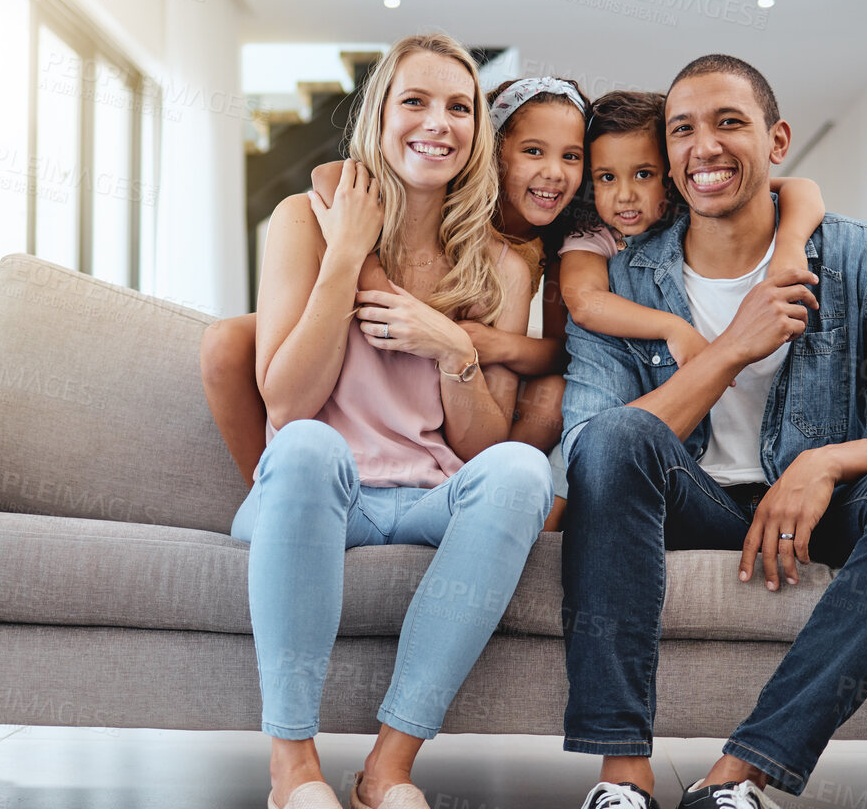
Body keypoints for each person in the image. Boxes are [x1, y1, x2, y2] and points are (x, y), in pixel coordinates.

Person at [554, 55, 867, 809]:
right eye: (682, 129)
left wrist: (826, 462)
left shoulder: (862, 259)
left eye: (728, 122)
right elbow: (589, 450)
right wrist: (728, 351)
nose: (703, 147)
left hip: (815, 506)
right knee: (614, 441)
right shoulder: (623, 281)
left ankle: (735, 782)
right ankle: (622, 788)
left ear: (775, 139)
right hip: (687, 502)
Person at [232, 32, 552, 809]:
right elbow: (285, 400)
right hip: (315, 490)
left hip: (425, 495)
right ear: (380, 114)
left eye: (459, 106)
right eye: (415, 101)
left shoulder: (503, 262)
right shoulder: (302, 219)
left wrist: (453, 348)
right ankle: (292, 775)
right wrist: (344, 258)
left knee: (523, 468)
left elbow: (481, 444)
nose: (437, 123)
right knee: (304, 444)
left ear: (478, 130)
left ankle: (386, 776)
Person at [200, 76, 589, 529]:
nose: (553, 172)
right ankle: (281, 491)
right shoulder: (444, 188)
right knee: (228, 341)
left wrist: (487, 345)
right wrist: (369, 272)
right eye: (533, 151)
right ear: (492, 149)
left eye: (571, 157)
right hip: (399, 307)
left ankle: (494, 497)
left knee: (553, 394)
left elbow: (569, 351)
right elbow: (328, 177)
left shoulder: (548, 244)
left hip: (477, 344)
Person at [558, 89, 829, 365]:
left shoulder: (693, 200)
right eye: (607, 177)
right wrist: (671, 328)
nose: (625, 194)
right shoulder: (591, 232)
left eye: (643, 174)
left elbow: (802, 188)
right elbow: (584, 303)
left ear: (672, 169)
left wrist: (790, 244)